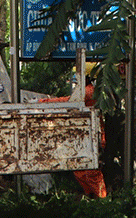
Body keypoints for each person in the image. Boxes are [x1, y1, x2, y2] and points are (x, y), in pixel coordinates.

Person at [36, 63, 108, 198]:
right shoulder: (89, 90)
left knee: (91, 171)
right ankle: (92, 198)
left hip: (91, 136)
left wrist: (43, 101)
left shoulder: (89, 91)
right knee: (80, 170)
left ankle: (101, 199)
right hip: (86, 135)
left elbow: (68, 101)